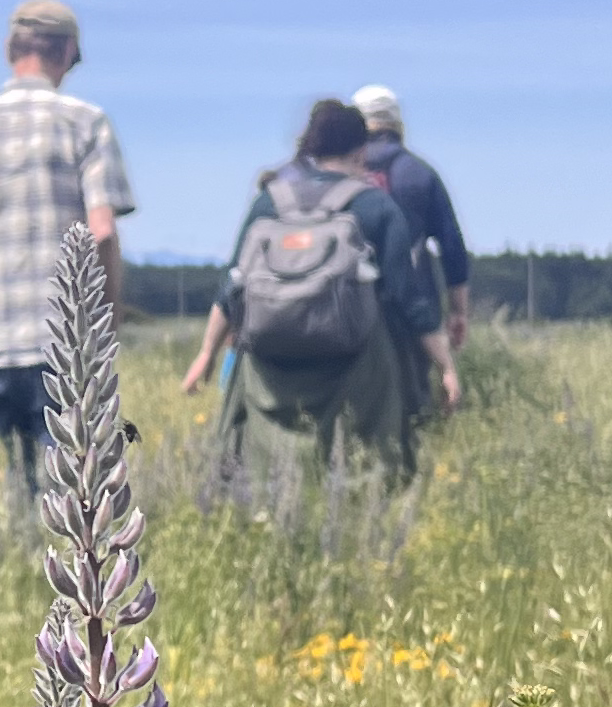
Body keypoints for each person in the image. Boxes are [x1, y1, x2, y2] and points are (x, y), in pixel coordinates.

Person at [0, 0, 135, 491]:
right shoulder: (85, 121)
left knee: (21, 481)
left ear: (10, 50)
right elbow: (102, 229)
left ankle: (18, 561)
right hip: (63, 341)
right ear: (67, 51)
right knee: (73, 497)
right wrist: (106, 325)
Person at [182, 96, 433, 473]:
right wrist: (445, 365)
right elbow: (407, 298)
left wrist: (206, 354)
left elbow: (234, 285)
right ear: (361, 151)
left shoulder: (268, 203)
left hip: (269, 364)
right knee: (359, 468)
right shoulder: (375, 207)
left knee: (258, 469)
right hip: (354, 369)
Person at [351, 83, 469, 445]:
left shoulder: (338, 174)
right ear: (397, 122)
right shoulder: (419, 174)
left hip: (345, 310)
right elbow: (452, 248)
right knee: (413, 410)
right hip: (410, 310)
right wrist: (457, 311)